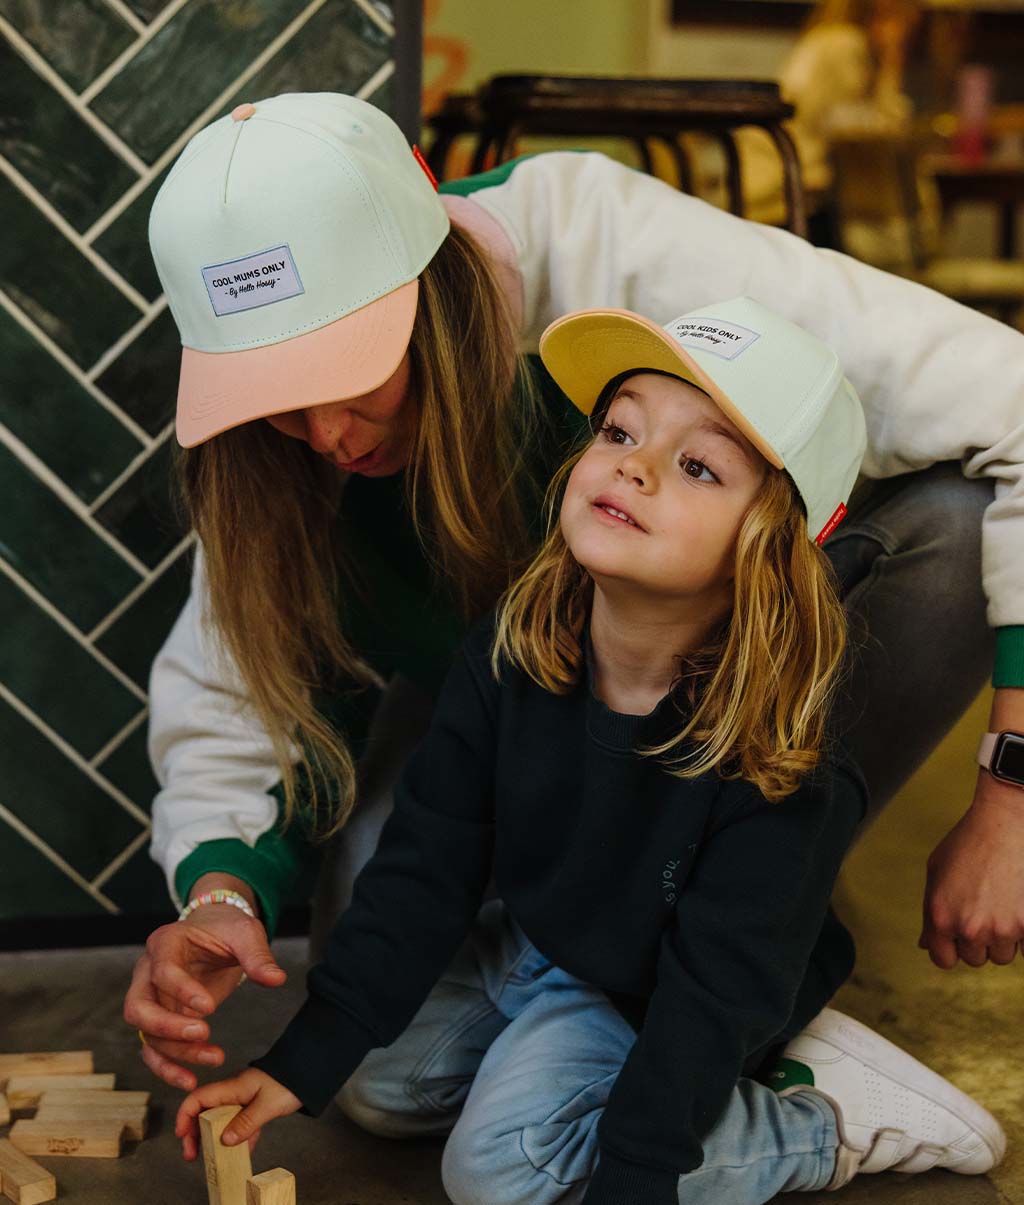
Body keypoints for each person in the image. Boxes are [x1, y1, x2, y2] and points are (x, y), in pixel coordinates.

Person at [125, 91, 1024, 1094]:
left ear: (435, 282)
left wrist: (1009, 795)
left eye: (351, 375)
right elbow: (229, 696)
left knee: (954, 514)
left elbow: (1012, 398)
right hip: (504, 703)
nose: (330, 434)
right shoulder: (279, 459)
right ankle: (600, 976)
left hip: (736, 709)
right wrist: (218, 893)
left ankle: (750, 952)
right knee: (380, 1083)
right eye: (281, 404)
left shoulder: (607, 245)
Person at [172, 300, 1005, 1204]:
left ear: (770, 545)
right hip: (540, 941)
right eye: (619, 428)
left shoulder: (784, 758)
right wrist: (305, 1057)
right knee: (373, 1086)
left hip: (662, 991)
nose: (633, 466)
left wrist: (635, 1172)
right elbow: (428, 862)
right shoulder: (513, 645)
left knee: (503, 1170)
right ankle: (568, 1070)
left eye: (697, 465)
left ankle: (820, 1118)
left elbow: (711, 989)